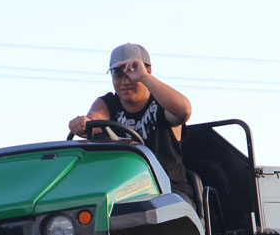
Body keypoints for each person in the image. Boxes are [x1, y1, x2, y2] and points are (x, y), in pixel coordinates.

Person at [68, 43, 195, 206]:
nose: (124, 81)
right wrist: (84, 124)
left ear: (147, 71)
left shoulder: (162, 103)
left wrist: (144, 78)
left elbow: (183, 110)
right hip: (123, 195)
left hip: (169, 193)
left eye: (131, 73)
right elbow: (95, 119)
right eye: (118, 75)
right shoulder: (108, 103)